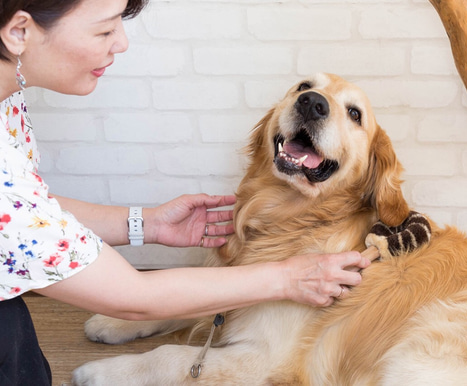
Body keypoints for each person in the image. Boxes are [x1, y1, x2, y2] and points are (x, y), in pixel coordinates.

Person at [0, 0, 371, 384]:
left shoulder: (8, 95)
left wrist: (147, 224)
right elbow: (134, 297)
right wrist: (289, 278)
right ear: (19, 32)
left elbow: (28, 210)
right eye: (105, 29)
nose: (122, 43)